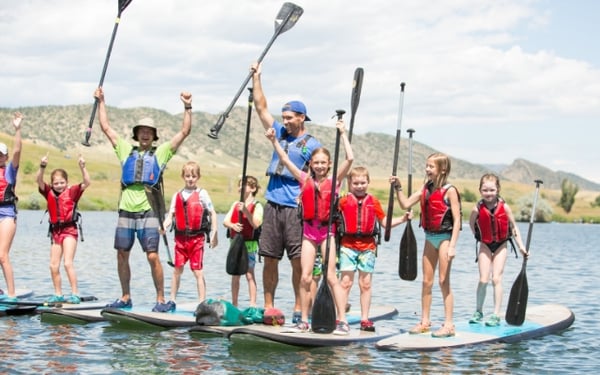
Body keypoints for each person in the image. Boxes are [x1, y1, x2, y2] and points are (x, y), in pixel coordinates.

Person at [94, 87, 192, 312]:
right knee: (121, 254)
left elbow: (184, 132)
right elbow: (106, 128)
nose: (145, 134)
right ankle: (125, 297)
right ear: (137, 134)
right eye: (142, 131)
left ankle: (160, 299)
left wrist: (187, 106)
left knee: (152, 256)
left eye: (149, 131)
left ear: (153, 135)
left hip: (149, 210)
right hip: (126, 209)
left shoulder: (162, 152)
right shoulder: (125, 149)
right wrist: (101, 102)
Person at [266, 118, 353, 335]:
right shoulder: (304, 179)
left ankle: (342, 321)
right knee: (305, 277)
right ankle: (304, 320)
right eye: (317, 163)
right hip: (309, 233)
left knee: (331, 277)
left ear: (329, 164)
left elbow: (350, 158)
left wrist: (342, 133)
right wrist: (274, 141)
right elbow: (285, 160)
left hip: (328, 233)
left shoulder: (335, 180)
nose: (320, 166)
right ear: (311, 164)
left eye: (324, 162)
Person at [251, 62, 322, 321]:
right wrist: (257, 78)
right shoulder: (279, 133)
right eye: (284, 117)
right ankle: (269, 307)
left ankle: (297, 307)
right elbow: (260, 107)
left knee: (296, 261)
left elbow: (322, 176)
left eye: (290, 117)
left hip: (295, 209)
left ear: (302, 118)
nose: (285, 121)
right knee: (269, 258)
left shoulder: (312, 145)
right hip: (272, 205)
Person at [392, 152, 462, 338]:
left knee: (443, 281)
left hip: (445, 237)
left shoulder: (450, 191)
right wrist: (398, 187)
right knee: (426, 282)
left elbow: (457, 220)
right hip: (429, 237)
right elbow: (405, 203)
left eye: (431, 166)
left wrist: (453, 245)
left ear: (442, 169)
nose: (427, 169)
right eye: (427, 166)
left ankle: (448, 325)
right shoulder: (426, 187)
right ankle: (425, 321)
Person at [338, 166, 412, 332]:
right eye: (355, 183)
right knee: (345, 283)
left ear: (368, 182)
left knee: (365, 284)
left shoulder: (373, 202)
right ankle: (341, 319)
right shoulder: (342, 202)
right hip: (347, 246)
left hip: (368, 247)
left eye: (363, 182)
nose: (359, 186)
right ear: (349, 183)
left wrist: (402, 219)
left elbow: (385, 223)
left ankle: (365, 319)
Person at [468, 173, 529, 326]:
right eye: (485, 190)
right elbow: (471, 224)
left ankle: (495, 314)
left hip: (501, 244)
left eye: (492, 190)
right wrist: (480, 236)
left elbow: (514, 227)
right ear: (480, 190)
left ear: (498, 189)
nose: (489, 193)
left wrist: (521, 246)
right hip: (485, 245)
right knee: (483, 279)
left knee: (496, 278)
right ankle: (478, 311)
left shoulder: (505, 207)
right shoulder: (477, 208)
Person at [162, 161, 218, 309]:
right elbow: (171, 215)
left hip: (196, 239)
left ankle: (202, 303)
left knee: (197, 271)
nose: (190, 179)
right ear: (183, 176)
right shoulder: (177, 195)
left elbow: (212, 213)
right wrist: (164, 225)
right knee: (177, 270)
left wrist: (214, 232)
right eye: (187, 176)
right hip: (180, 240)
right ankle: (172, 300)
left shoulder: (202, 194)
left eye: (193, 176)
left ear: (198, 177)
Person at [37, 154, 91, 304]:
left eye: (62, 182)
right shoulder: (48, 192)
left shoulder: (73, 192)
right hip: (56, 232)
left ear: (67, 182)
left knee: (67, 263)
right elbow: (39, 181)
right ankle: (58, 294)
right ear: (52, 184)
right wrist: (42, 167)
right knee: (53, 265)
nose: (59, 185)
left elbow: (87, 182)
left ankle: (75, 294)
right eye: (56, 183)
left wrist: (82, 167)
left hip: (69, 231)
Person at [223, 175, 263, 307]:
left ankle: (252, 303)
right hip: (236, 244)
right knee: (235, 274)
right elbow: (225, 221)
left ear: (252, 188)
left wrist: (245, 210)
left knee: (249, 274)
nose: (240, 187)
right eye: (240, 185)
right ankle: (235, 303)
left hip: (249, 245)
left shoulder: (257, 206)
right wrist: (232, 225)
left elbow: (255, 224)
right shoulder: (235, 204)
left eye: (244, 185)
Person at [0, 112, 23, 301]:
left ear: (5, 156)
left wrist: (17, 129)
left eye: (1, 154)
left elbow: (17, 151)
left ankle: (12, 295)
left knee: (2, 255)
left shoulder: (9, 170)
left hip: (7, 213)